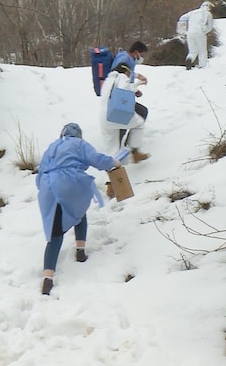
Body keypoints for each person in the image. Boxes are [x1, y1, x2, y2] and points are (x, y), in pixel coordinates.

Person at [36, 123, 120, 295]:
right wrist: (113, 162)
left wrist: (44, 189)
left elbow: (40, 173)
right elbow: (96, 159)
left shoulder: (52, 146)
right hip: (71, 182)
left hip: (47, 187)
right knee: (78, 211)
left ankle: (47, 277)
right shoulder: (80, 144)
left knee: (55, 231)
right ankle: (80, 250)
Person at [99, 62, 151, 165]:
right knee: (139, 123)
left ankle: (112, 178)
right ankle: (135, 152)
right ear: (126, 71)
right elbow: (123, 89)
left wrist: (136, 85)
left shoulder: (108, 80)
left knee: (112, 151)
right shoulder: (122, 76)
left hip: (104, 118)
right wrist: (137, 85)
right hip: (115, 114)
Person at [180, 1, 214, 70]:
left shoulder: (193, 12)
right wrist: (205, 31)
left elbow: (182, 18)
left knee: (193, 51)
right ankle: (202, 66)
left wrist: (182, 30)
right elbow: (210, 27)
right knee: (202, 50)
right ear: (209, 7)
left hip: (189, 33)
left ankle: (189, 60)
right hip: (200, 32)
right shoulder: (208, 13)